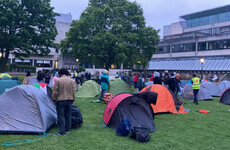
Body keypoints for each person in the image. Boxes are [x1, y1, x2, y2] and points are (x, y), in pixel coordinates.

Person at [52, 68, 76, 136]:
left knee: (61, 116)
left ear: (60, 74)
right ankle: (68, 129)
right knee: (68, 115)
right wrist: (73, 99)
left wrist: (53, 99)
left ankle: (62, 131)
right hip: (69, 99)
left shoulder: (58, 81)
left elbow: (55, 91)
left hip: (60, 100)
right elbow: (73, 91)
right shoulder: (72, 81)